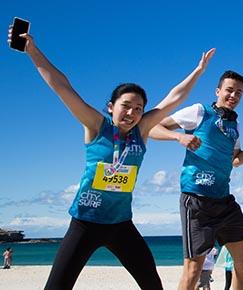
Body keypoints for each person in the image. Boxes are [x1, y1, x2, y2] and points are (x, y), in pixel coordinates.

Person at [9, 26, 212, 290]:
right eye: (126, 105)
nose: (132, 112)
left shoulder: (142, 131)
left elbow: (174, 98)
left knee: (152, 284)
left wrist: (198, 72)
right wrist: (33, 51)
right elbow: (62, 87)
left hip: (120, 224)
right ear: (111, 107)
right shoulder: (96, 125)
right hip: (84, 222)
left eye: (138, 108)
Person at [150, 68, 243, 290]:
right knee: (193, 269)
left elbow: (234, 161)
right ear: (218, 91)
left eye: (239, 93)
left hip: (223, 200)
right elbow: (153, 127)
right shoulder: (199, 112)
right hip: (197, 200)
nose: (234, 96)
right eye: (229, 90)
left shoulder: (234, 127)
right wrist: (178, 136)